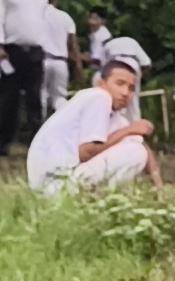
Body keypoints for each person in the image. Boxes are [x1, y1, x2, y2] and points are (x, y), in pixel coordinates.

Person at [27, 41, 156, 195]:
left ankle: (101, 200)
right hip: (54, 182)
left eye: (131, 88)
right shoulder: (99, 97)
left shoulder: (114, 115)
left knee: (137, 148)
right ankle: (101, 201)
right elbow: (85, 152)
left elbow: (144, 148)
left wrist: (158, 187)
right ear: (101, 83)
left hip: (56, 180)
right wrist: (129, 130)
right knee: (135, 153)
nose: (125, 92)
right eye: (119, 84)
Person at [0, 0, 62, 156]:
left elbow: (40, 21)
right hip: (12, 50)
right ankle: (4, 142)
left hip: (35, 50)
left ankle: (37, 142)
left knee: (35, 98)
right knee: (9, 98)